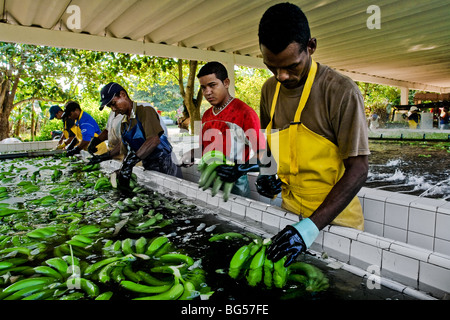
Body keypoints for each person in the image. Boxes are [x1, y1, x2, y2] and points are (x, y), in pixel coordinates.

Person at [257, 3, 369, 266]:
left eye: (291, 66)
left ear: (311, 46)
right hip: (288, 216)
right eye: (272, 67)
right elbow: (267, 143)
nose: (282, 76)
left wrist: (309, 229)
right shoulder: (268, 90)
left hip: (336, 223)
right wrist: (265, 172)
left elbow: (359, 168)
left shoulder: (340, 91)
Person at [180, 61, 266, 198]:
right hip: (209, 181)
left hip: (235, 185)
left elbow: (262, 153)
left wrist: (239, 169)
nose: (207, 92)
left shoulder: (245, 113)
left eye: (212, 85)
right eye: (203, 88)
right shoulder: (207, 115)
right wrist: (191, 153)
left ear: (226, 83)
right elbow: (205, 149)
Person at [99, 82, 181, 191]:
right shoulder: (124, 124)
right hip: (149, 166)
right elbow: (124, 151)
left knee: (173, 196)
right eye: (110, 107)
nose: (113, 109)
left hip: (166, 164)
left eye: (114, 103)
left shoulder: (145, 111)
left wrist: (131, 161)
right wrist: (121, 168)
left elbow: (153, 140)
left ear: (123, 94)